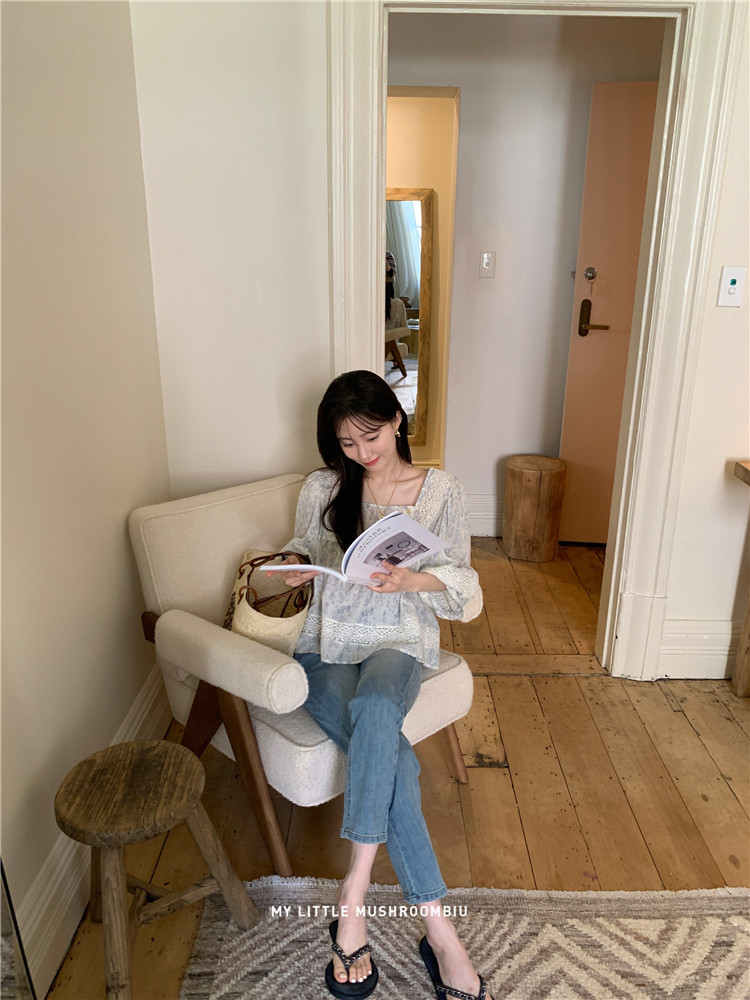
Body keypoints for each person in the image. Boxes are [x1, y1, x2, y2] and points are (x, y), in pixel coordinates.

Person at [275, 370, 492, 1000]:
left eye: (370, 436)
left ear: (397, 419)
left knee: (376, 702)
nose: (362, 452)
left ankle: (354, 897)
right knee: (395, 753)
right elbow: (302, 544)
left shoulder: (440, 491)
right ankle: (440, 933)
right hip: (324, 644)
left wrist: (411, 581)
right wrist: (294, 564)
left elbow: (463, 581)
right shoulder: (323, 486)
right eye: (347, 443)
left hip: (398, 641)